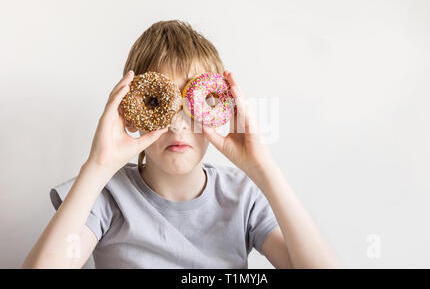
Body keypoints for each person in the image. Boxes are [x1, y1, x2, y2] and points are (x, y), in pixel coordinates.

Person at [22, 20, 342, 269]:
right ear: (131, 112)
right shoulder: (107, 195)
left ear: (219, 111)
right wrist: (97, 166)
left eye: (194, 104)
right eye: (160, 103)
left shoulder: (242, 196)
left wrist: (264, 170)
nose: (178, 124)